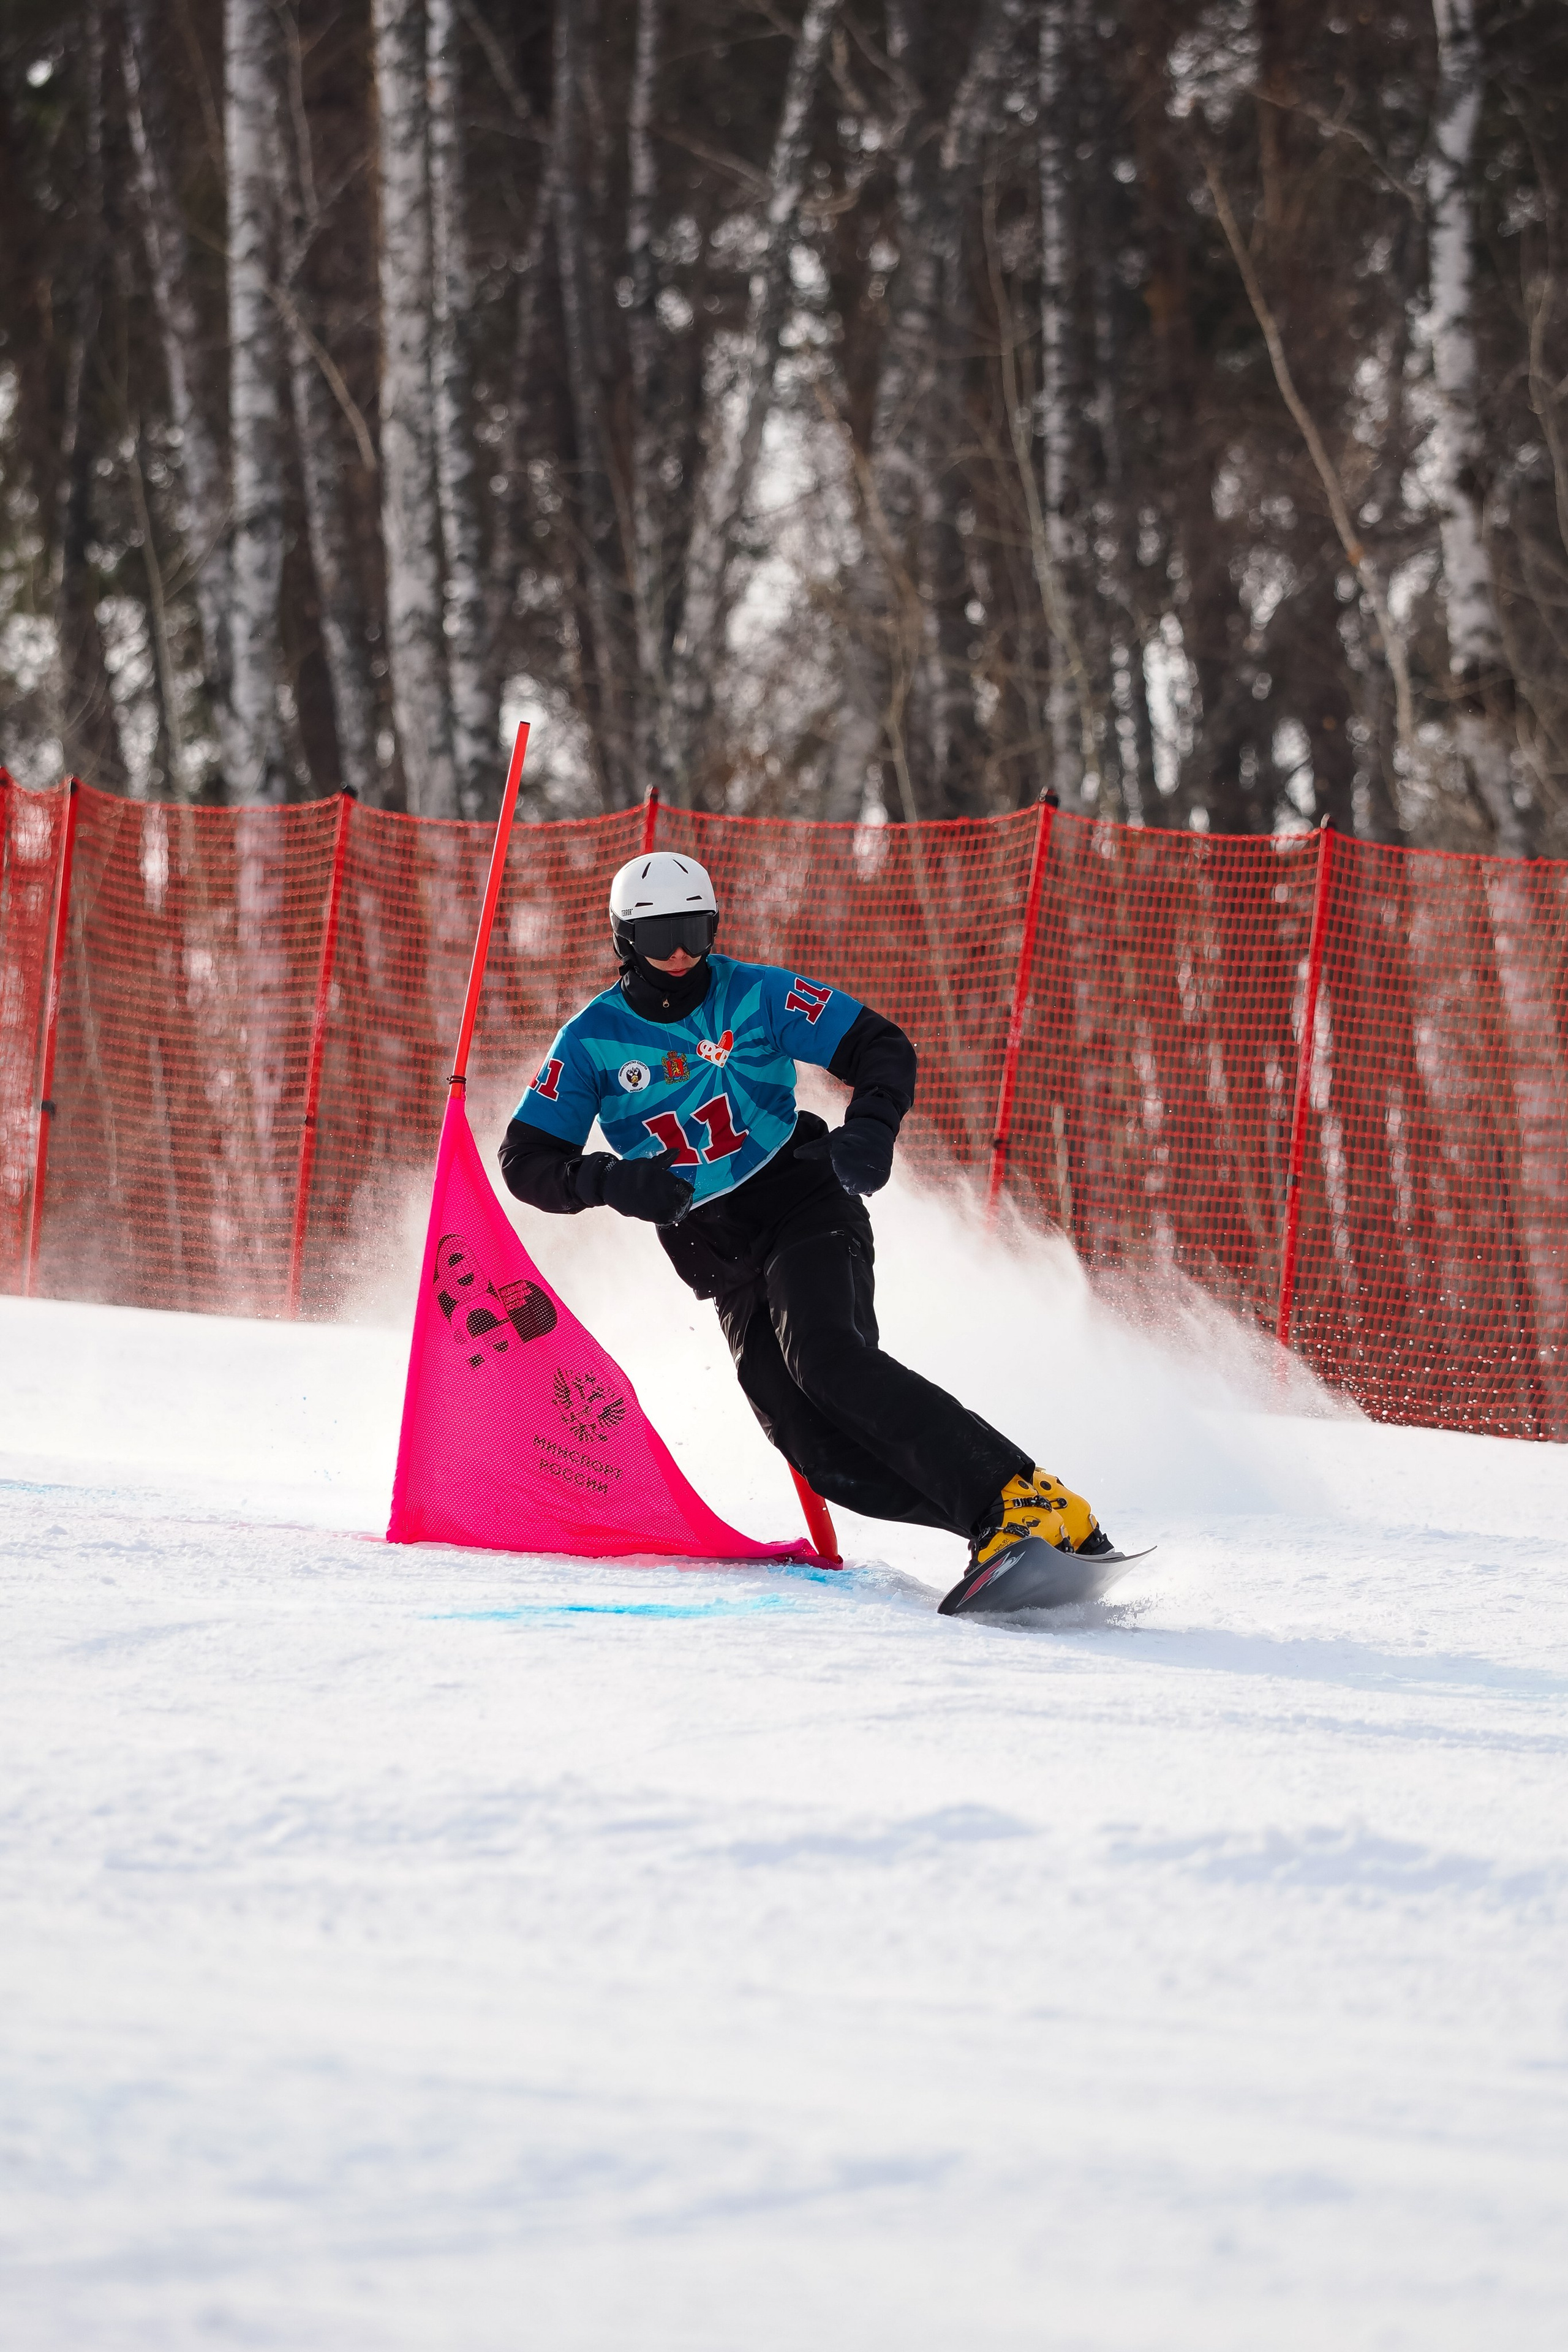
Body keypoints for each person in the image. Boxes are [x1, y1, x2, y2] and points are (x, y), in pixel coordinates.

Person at [498, 851, 1112, 1615]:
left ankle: (1016, 1497)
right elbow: (525, 1162)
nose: (682, 953)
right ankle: (1011, 1523)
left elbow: (880, 1045)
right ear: (625, 941)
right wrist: (606, 1180)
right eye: (660, 937)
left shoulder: (754, 993)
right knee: (817, 1449)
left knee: (828, 1361)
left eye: (694, 930)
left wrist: (871, 1131)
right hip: (717, 1254)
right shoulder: (591, 1040)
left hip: (802, 1203)